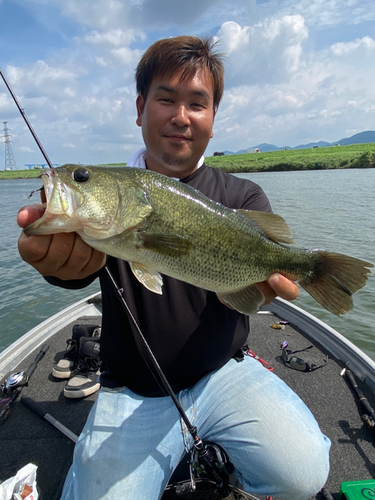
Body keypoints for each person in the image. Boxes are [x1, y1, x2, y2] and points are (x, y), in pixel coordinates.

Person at [17, 36, 330, 500]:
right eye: (166, 99)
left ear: (212, 117)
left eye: (197, 104)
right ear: (141, 107)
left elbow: (249, 293)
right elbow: (75, 270)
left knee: (304, 475)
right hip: (133, 391)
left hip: (225, 372)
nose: (180, 116)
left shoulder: (243, 198)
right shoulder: (107, 215)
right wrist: (58, 265)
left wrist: (262, 283)